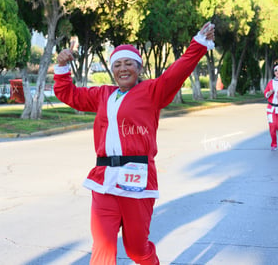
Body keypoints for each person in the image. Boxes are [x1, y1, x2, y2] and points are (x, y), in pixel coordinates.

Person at [53, 22, 215, 265]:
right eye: (117, 64)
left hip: (137, 180)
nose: (123, 69)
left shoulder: (152, 91)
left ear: (139, 68)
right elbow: (69, 94)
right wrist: (62, 67)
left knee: (137, 251)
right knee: (103, 247)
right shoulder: (102, 95)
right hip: (104, 179)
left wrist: (199, 43)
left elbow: (178, 71)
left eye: (129, 63)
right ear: (112, 71)